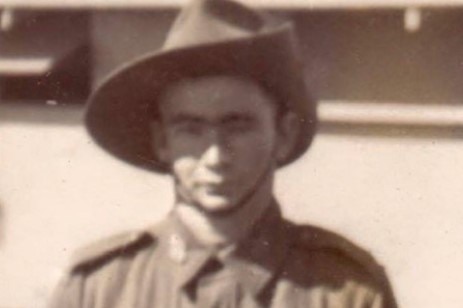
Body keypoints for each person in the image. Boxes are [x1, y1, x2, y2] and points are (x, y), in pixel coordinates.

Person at [49, 0, 397, 307]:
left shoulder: (347, 292)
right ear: (161, 140)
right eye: (191, 128)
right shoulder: (98, 292)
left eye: (238, 126)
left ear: (284, 134)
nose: (215, 155)